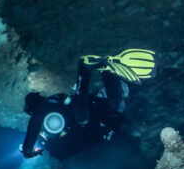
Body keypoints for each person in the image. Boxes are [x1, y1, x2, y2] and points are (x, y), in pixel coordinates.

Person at [21, 49, 155, 159]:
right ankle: (106, 70)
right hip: (91, 107)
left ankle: (85, 67)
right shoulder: (54, 99)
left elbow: (30, 140)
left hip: (84, 112)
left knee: (83, 118)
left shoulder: (39, 112)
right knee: (119, 107)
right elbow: (73, 99)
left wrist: (31, 152)